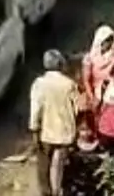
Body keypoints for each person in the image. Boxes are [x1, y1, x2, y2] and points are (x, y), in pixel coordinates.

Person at [30, 49, 80, 196]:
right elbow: (77, 108)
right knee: (58, 167)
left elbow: (35, 110)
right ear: (60, 64)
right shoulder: (69, 84)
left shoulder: (39, 84)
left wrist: (34, 130)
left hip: (46, 133)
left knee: (44, 167)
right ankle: (57, 191)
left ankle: (47, 193)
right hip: (65, 132)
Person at [63, 114, 105, 196]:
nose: (85, 133)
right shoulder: (73, 148)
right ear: (77, 129)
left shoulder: (100, 147)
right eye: (82, 130)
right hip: (76, 188)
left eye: (88, 130)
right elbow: (67, 178)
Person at [81, 25, 114, 109]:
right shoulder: (89, 58)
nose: (109, 44)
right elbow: (86, 81)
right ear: (100, 40)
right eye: (106, 41)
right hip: (98, 96)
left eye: (111, 40)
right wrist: (92, 98)